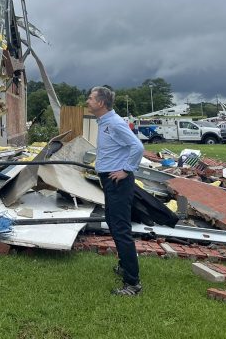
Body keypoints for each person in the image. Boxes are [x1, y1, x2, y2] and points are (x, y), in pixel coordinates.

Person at [86, 86, 144, 296]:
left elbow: (137, 147)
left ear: (101, 103)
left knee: (120, 229)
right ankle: (124, 266)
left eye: (91, 98)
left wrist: (126, 170)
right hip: (110, 180)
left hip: (118, 182)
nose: (88, 101)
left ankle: (133, 284)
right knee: (113, 222)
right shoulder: (105, 122)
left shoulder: (115, 123)